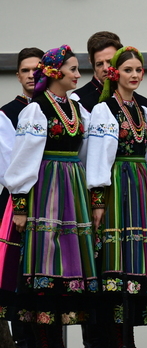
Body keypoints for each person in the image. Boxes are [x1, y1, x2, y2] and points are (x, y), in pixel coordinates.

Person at [2, 45, 98, 347]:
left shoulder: (77, 108)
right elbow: (23, 159)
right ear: (56, 73)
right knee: (44, 262)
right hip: (46, 190)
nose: (78, 74)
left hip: (72, 188)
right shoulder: (36, 109)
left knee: (68, 268)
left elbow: (85, 152)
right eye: (73, 69)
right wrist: (20, 206)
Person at [86, 46, 147, 347]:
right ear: (115, 73)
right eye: (128, 70)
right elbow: (98, 158)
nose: (134, 75)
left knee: (137, 262)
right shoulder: (104, 109)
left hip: (142, 187)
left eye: (138, 70)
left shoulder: (145, 110)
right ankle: (115, 336)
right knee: (116, 259)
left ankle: (128, 334)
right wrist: (98, 200)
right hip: (117, 185)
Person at [0, 47, 43, 348]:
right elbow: (7, 165)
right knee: (18, 276)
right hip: (19, 202)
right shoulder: (7, 114)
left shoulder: (60, 108)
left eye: (37, 69)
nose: (31, 75)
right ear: (17, 75)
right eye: (26, 70)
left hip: (55, 197)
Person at [70, 31, 122, 112]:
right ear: (91, 61)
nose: (106, 68)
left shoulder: (137, 100)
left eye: (110, 61)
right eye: (100, 63)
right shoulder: (78, 98)